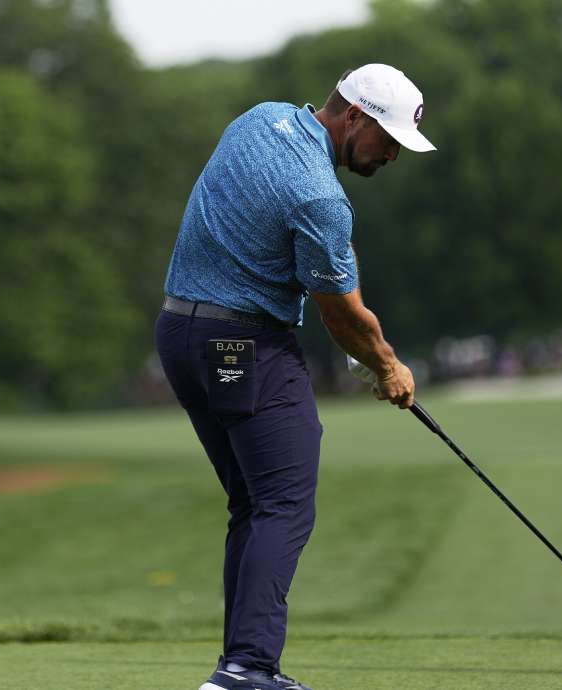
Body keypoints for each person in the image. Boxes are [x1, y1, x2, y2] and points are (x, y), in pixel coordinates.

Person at [154, 64, 435, 690]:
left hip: (180, 335)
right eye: (388, 139)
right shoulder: (320, 196)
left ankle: (237, 669)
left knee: (253, 503)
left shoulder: (261, 119)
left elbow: (326, 263)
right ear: (355, 117)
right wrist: (387, 365)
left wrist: (364, 344)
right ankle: (248, 669)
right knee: (283, 502)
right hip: (246, 343)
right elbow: (341, 315)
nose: (392, 155)